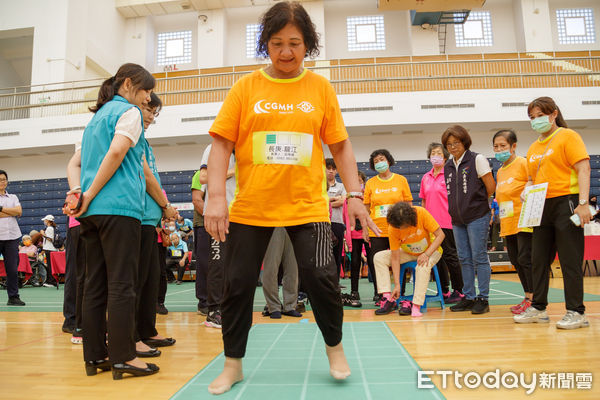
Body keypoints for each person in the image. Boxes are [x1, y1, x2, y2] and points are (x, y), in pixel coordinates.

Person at [203, 2, 378, 394]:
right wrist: (216, 196)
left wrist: (354, 194)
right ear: (266, 43)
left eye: (295, 43)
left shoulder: (320, 88)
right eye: (277, 42)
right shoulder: (246, 87)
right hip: (251, 208)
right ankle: (233, 364)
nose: (286, 52)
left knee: (322, 279)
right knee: (235, 284)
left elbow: (342, 146)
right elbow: (221, 146)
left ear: (308, 45)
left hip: (307, 207)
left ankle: (335, 350)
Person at [66, 63, 169, 379]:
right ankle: (124, 356)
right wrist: (91, 192)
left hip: (92, 213)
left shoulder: (95, 119)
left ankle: (95, 355)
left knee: (95, 284)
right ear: (129, 84)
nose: (147, 99)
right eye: (146, 92)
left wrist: (81, 195)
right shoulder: (129, 113)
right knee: (123, 284)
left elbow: (80, 163)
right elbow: (116, 154)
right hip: (119, 208)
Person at [514, 97, 591, 329]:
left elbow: (583, 168)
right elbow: (531, 178)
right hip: (540, 205)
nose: (536, 120)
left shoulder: (568, 136)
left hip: (565, 202)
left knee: (569, 260)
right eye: (532, 117)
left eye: (539, 115)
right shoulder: (534, 147)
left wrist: (583, 203)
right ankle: (538, 307)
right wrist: (527, 190)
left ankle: (576, 311)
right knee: (538, 259)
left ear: (553, 114)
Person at [136, 93, 176, 354]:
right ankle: (134, 336)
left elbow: (155, 180)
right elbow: (145, 175)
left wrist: (162, 210)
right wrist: (165, 206)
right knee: (137, 283)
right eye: (147, 109)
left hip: (151, 221)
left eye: (154, 113)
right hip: (136, 218)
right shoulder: (132, 138)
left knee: (151, 281)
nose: (151, 116)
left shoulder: (145, 142)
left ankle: (147, 330)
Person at [442, 125, 495, 314]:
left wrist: (476, 204)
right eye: (449, 144)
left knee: (479, 256)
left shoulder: (476, 159)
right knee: (463, 258)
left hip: (477, 216)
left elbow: (490, 187)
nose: (453, 147)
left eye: (456, 142)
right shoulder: (448, 165)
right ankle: (469, 297)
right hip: (457, 219)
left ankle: (483, 298)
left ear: (465, 142)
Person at [373, 202, 445, 317]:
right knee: (379, 257)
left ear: (409, 221)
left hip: (431, 251)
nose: (400, 229)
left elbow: (441, 235)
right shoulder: (393, 226)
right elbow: (395, 258)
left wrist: (427, 254)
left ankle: (416, 305)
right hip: (409, 252)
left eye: (402, 226)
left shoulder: (421, 213)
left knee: (422, 266)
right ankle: (388, 299)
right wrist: (397, 285)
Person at [364, 148, 412, 304]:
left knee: (400, 261)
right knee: (377, 261)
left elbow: (408, 205)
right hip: (377, 230)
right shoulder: (370, 183)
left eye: (381, 159)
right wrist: (365, 228)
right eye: (376, 161)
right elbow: (366, 209)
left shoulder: (401, 180)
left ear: (389, 161)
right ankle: (381, 295)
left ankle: (400, 292)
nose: (379, 163)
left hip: (398, 230)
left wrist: (407, 228)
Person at [492, 129, 533, 315]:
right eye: (496, 146)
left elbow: (533, 184)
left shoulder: (523, 163)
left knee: (526, 260)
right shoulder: (500, 171)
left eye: (503, 146)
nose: (499, 149)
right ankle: (527, 297)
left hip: (524, 221)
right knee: (517, 261)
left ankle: (534, 300)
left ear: (513, 146)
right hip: (507, 223)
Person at [419, 143, 464, 303]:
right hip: (431, 224)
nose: (435, 155)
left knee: (451, 256)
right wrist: (423, 222)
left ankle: (459, 290)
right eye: (432, 153)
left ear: (445, 156)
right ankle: (444, 291)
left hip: (448, 222)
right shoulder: (426, 177)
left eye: (438, 153)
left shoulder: (451, 174)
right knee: (437, 258)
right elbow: (424, 202)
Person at [198, 142, 236, 329]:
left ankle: (228, 308)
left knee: (234, 266)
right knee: (218, 264)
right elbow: (203, 177)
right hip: (217, 216)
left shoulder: (245, 150)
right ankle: (213, 312)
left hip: (239, 215)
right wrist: (234, 170)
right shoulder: (214, 148)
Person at [261, 227, 302, 319]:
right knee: (270, 268)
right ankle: (273, 307)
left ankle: (290, 306)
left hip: (293, 224)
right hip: (273, 224)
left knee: (293, 269)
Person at [342, 170, 369, 307]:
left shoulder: (368, 194)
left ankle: (379, 292)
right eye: (355, 181)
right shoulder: (348, 198)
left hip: (368, 233)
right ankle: (354, 291)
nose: (358, 183)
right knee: (355, 263)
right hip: (354, 234)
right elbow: (345, 217)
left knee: (373, 262)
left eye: (360, 181)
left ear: (363, 182)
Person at [0, 170, 26, 306]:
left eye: (4, 179)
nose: (2, 182)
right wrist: (11, 213)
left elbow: (19, 211)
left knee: (12, 269)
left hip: (12, 237)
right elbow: (14, 212)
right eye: (0, 180)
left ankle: (13, 297)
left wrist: (0, 209)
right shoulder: (12, 201)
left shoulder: (13, 197)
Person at [191, 170, 209, 316]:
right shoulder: (199, 175)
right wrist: (212, 217)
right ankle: (203, 303)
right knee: (204, 265)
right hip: (204, 225)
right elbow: (197, 201)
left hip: (219, 225)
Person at [326, 158, 346, 279]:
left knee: (337, 253)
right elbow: (318, 201)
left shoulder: (342, 186)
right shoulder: (319, 185)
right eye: (328, 168)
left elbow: (342, 201)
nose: (331, 171)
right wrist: (334, 199)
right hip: (322, 221)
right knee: (323, 254)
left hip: (337, 222)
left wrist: (327, 201)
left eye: (333, 169)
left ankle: (335, 282)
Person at [40, 215, 59, 288]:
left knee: (50, 266)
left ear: (48, 221)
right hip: (51, 249)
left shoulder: (50, 228)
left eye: (45, 220)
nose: (44, 221)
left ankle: (51, 282)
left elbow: (50, 239)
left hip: (50, 249)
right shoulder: (52, 228)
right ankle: (51, 281)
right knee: (50, 265)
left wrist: (43, 234)